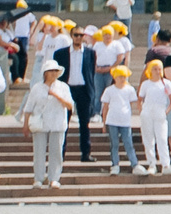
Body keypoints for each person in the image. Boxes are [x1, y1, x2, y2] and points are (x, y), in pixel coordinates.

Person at [21, 57, 72, 188]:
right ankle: (38, 178)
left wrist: (56, 95)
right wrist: (25, 124)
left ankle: (54, 178)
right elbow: (29, 107)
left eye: (56, 71)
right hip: (40, 123)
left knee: (56, 152)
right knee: (39, 152)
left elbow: (70, 105)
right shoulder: (37, 88)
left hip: (57, 123)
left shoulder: (63, 87)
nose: (54, 73)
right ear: (45, 73)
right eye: (51, 71)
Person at [54, 23, 101, 162]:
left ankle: (85, 153)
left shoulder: (90, 53)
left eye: (81, 35)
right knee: (63, 122)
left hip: (83, 89)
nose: (79, 38)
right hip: (66, 89)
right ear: (71, 36)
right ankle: (60, 153)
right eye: (76, 35)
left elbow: (91, 72)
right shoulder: (60, 53)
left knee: (84, 123)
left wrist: (90, 91)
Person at [100, 63, 139, 174]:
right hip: (112, 121)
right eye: (120, 76)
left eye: (124, 76)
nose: (122, 79)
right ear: (114, 77)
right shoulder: (109, 90)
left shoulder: (130, 89)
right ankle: (115, 164)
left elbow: (131, 104)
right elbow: (105, 108)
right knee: (114, 144)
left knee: (128, 143)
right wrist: (104, 123)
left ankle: (134, 163)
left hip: (125, 121)